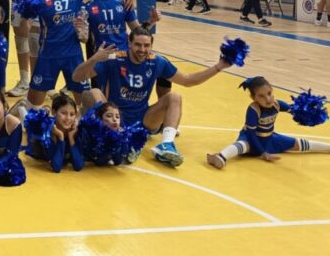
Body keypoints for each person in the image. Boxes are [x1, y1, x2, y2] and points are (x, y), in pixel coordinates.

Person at [73, 27, 231, 167]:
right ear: (129, 43)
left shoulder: (157, 62)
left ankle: (166, 145)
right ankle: (109, 138)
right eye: (138, 45)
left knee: (174, 97)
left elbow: (188, 80)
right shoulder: (114, 59)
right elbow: (76, 77)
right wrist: (94, 59)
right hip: (115, 118)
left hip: (144, 119)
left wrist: (219, 67)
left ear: (151, 46)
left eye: (146, 45)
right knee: (92, 93)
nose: (142, 49)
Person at [206, 76, 330, 169]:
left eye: (269, 93)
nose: (267, 99)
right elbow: (252, 135)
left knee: (300, 144)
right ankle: (221, 157)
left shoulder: (277, 104)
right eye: (261, 96)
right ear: (254, 98)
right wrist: (263, 153)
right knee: (241, 146)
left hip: (270, 139)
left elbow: (294, 109)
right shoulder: (253, 110)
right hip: (252, 140)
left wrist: (308, 111)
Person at [16, 0, 91, 115]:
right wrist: (25, 17)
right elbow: (24, 27)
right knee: (33, 107)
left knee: (84, 105)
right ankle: (21, 110)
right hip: (49, 55)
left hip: (74, 54)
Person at [26, 93, 83, 173]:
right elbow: (56, 166)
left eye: (72, 114)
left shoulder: (75, 131)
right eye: (63, 113)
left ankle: (45, 109)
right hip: (36, 143)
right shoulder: (46, 132)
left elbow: (78, 165)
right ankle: (21, 107)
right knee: (27, 122)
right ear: (54, 112)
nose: (68, 118)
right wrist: (60, 136)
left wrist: (71, 137)